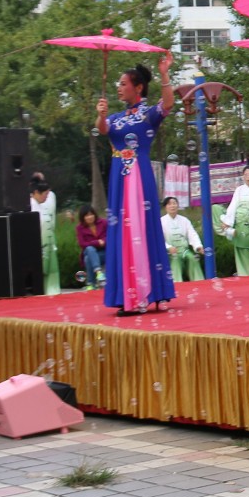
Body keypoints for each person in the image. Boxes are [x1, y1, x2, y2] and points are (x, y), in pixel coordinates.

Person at [95, 55, 177, 315]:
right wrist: (101, 115)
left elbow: (168, 103)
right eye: (118, 84)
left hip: (139, 176)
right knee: (122, 232)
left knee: (144, 228)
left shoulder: (147, 115)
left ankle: (152, 292)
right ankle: (127, 294)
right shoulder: (116, 117)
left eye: (123, 84)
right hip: (119, 177)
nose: (119, 88)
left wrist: (164, 74)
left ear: (138, 87)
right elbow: (103, 130)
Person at [160, 196, 205, 282]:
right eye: (169, 204)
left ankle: (199, 282)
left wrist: (198, 246)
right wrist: (168, 247)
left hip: (184, 251)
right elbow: (160, 239)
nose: (172, 206)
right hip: (170, 252)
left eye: (174, 203)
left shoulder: (184, 220)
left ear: (178, 206)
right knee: (175, 260)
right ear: (165, 207)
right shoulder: (161, 221)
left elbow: (192, 234)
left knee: (192, 258)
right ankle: (176, 284)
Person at [30, 174, 61, 295]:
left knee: (51, 270)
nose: (47, 197)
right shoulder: (30, 205)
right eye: (45, 194)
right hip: (39, 245)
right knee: (41, 272)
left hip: (49, 243)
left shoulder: (42, 205)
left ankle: (52, 291)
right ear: (36, 192)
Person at [75, 205, 107, 289]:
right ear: (83, 217)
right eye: (87, 215)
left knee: (87, 259)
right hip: (89, 251)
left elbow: (111, 236)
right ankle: (99, 272)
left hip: (103, 252)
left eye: (91, 214)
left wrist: (104, 241)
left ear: (94, 214)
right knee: (90, 249)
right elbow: (82, 244)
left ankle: (90, 283)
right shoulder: (79, 228)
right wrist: (97, 242)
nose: (90, 217)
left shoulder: (103, 223)